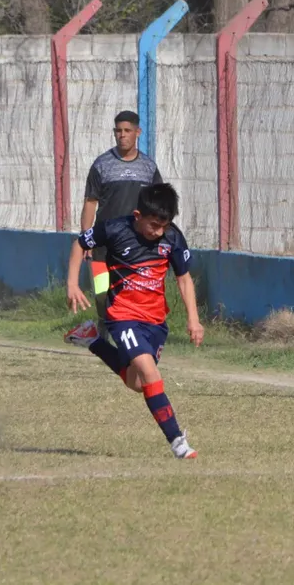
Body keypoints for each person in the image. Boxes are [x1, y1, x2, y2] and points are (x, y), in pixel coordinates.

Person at [63, 183, 203, 459]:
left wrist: (194, 320)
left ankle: (92, 339)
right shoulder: (114, 229)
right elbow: (80, 243)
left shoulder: (172, 239)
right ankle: (177, 441)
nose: (158, 232)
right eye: (153, 225)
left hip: (155, 321)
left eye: (163, 226)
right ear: (137, 215)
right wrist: (72, 284)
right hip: (122, 316)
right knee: (151, 375)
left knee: (137, 383)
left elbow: (184, 279)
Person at [80, 111, 164, 341]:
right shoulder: (101, 164)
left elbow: (159, 203)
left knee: (132, 292)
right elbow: (90, 203)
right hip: (104, 244)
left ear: (138, 132)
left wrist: (159, 233)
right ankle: (103, 323)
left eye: (127, 131)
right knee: (101, 291)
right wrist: (86, 237)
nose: (122, 135)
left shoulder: (148, 167)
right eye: (118, 131)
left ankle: (132, 335)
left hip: (136, 245)